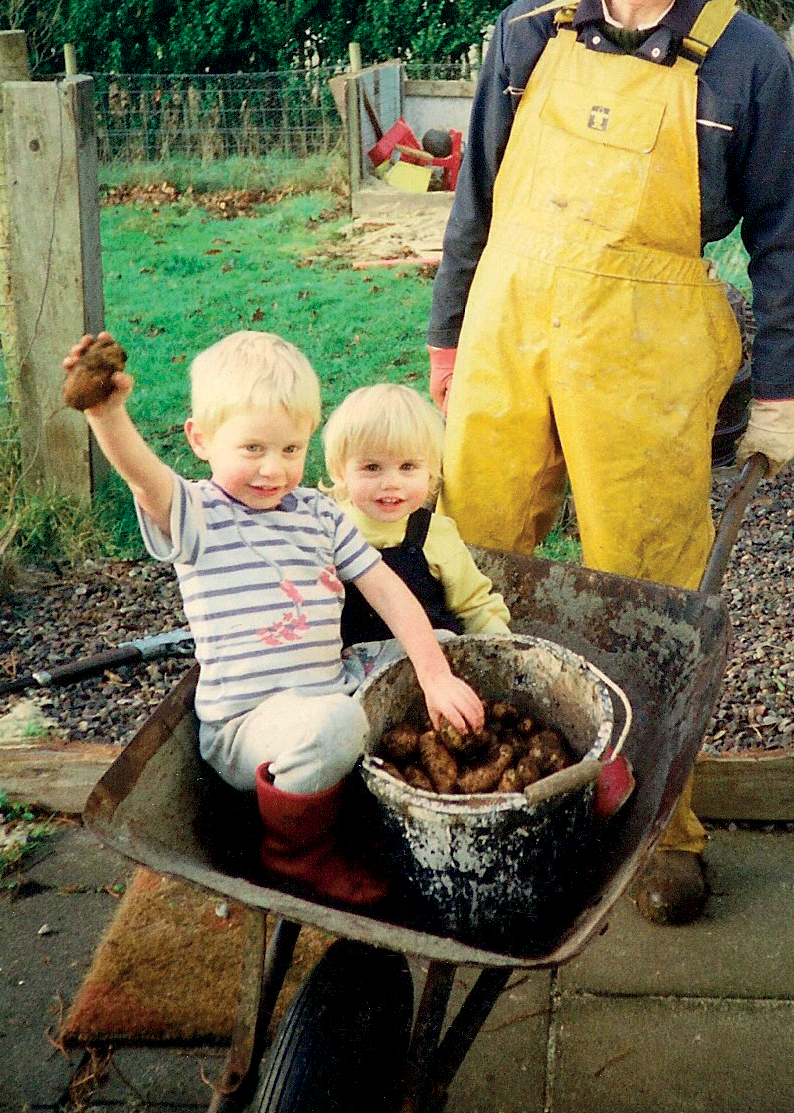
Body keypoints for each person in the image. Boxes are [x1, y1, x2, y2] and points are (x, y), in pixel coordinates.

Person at [426, 0, 794, 924]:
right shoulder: (523, 35)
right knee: (471, 564)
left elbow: (787, 239)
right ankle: (479, 801)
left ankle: (661, 831)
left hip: (647, 357)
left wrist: (783, 389)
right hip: (505, 336)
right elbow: (474, 205)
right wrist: (449, 340)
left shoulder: (744, 62)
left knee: (646, 588)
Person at [62, 328, 484, 911]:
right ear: (201, 439)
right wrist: (106, 413)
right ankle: (296, 853)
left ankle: (458, 774)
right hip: (249, 724)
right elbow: (141, 473)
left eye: (290, 450)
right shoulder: (197, 514)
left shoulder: (318, 513)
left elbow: (386, 588)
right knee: (335, 724)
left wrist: (435, 673)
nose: (273, 470)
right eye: (252, 449)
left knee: (442, 644)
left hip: (331, 682)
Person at [323, 382, 511, 646]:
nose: (391, 482)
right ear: (341, 472)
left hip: (432, 658)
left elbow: (474, 605)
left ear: (430, 471)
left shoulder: (435, 534)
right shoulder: (328, 530)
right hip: (354, 664)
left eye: (407, 466)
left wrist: (500, 648)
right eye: (372, 467)